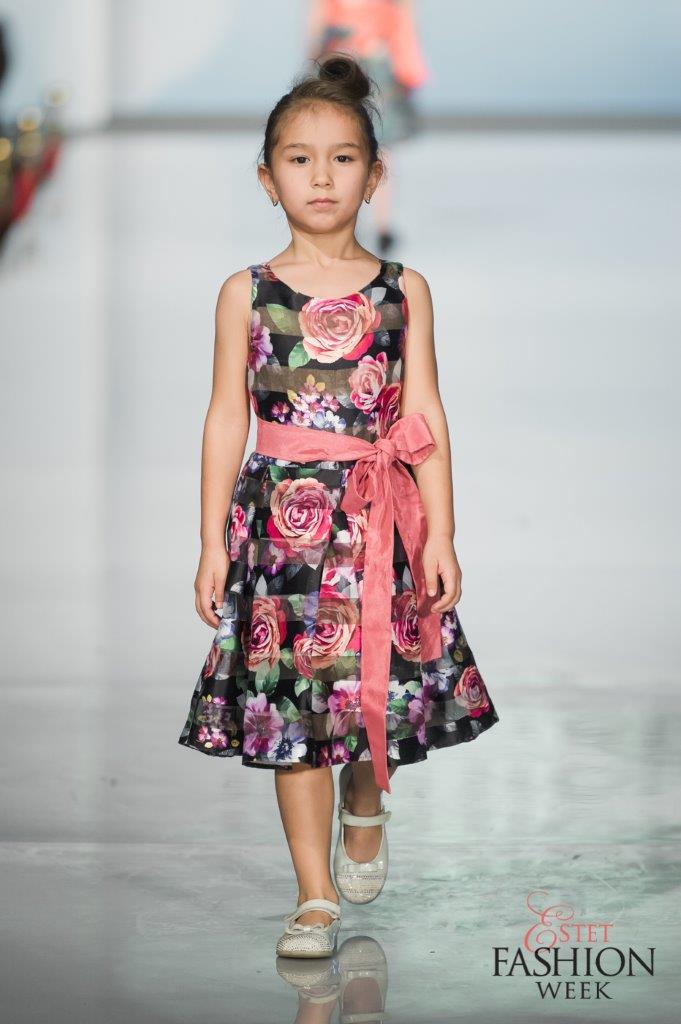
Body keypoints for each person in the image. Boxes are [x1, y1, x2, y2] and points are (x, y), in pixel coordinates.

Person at [177, 53, 500, 959]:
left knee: (368, 691)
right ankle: (313, 895)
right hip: (279, 536)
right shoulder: (246, 293)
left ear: (374, 174)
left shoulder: (403, 291)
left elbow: (423, 413)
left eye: (343, 158)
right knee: (293, 707)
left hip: (378, 525)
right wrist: (211, 541)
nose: (321, 177)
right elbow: (225, 415)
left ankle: (366, 796)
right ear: (266, 178)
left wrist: (441, 532)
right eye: (299, 159)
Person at [306, 0, 429, 254]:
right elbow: (319, 19)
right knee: (363, 147)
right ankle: (370, 226)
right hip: (355, 61)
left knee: (369, 147)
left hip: (365, 62)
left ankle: (374, 226)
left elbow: (318, 20)